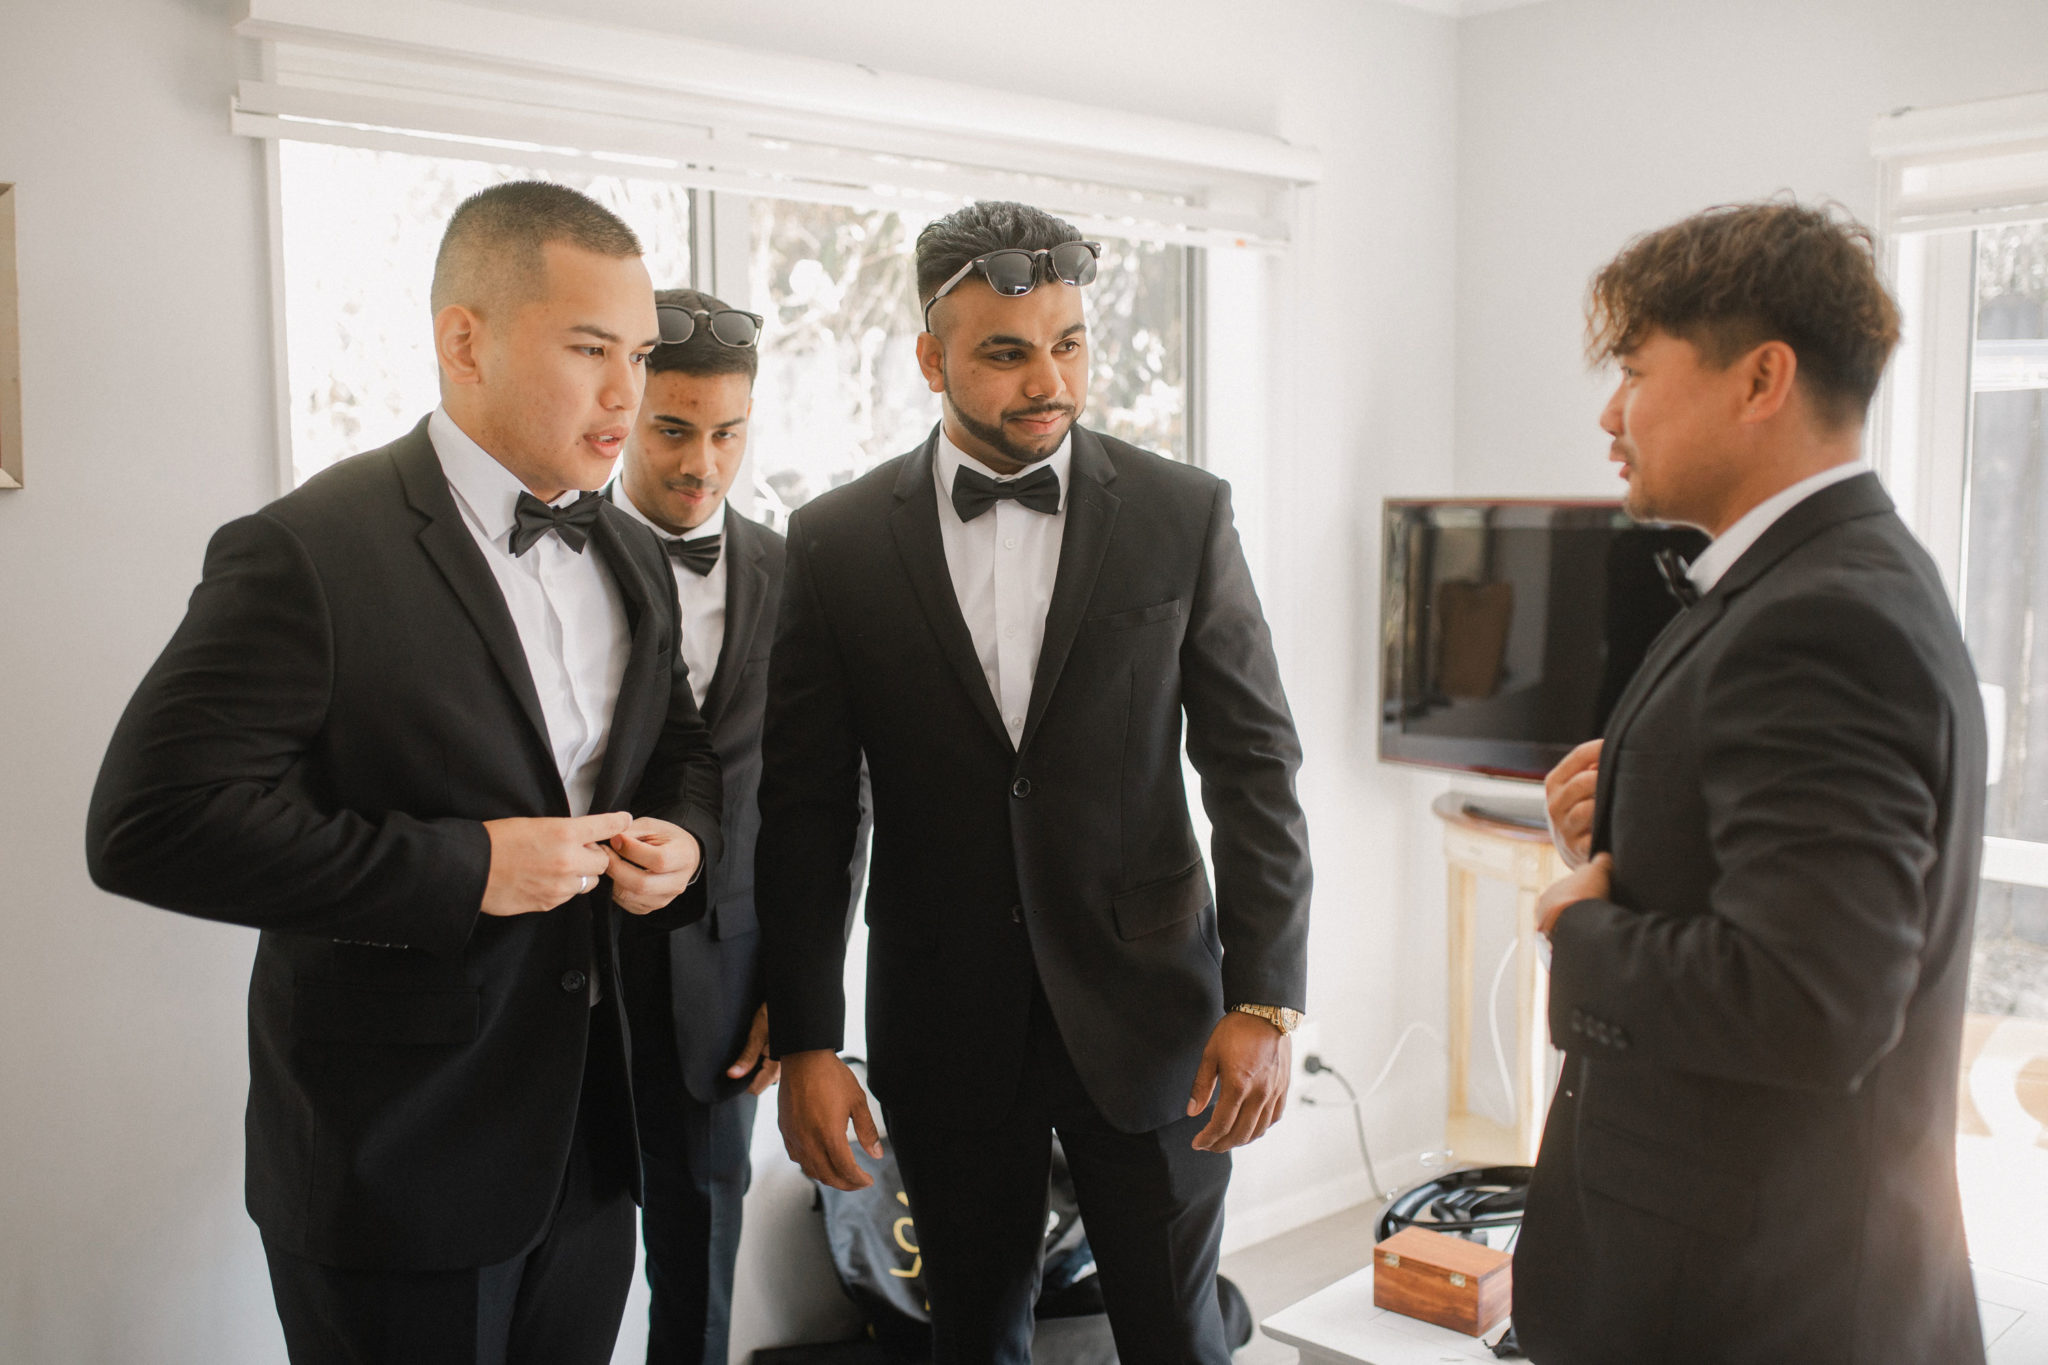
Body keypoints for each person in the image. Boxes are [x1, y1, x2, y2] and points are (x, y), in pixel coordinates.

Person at [86, 181, 723, 1365]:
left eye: (636, 353)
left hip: (595, 1143)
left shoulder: (632, 550)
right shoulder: (305, 552)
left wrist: (684, 846)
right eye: (590, 349)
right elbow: (150, 824)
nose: (628, 395)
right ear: (463, 341)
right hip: (394, 1160)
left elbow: (677, 750)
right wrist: (463, 866)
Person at [755, 199, 1313, 1365]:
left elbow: (1253, 762)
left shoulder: (1181, 512)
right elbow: (808, 807)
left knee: (1176, 1336)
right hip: (942, 1023)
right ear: (930, 358)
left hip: (1156, 1020)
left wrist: (1264, 998)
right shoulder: (835, 542)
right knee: (972, 1338)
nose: (1046, 380)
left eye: (1068, 344)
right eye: (1006, 352)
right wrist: (809, 1038)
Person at [1520, 200, 1988, 1365]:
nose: (1608, 413)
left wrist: (1580, 935)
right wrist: (1626, 807)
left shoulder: (1819, 617)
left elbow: (1810, 998)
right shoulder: (1807, 577)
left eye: (1632, 370)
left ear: (1759, 378)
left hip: (1757, 1301)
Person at [609, 287, 867, 1365]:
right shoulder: (546, 555)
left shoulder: (804, 570)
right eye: (672, 429)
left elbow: (832, 796)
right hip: (560, 975)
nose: (701, 464)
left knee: (697, 1282)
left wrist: (799, 998)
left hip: (729, 983)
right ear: (621, 410)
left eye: (727, 433)